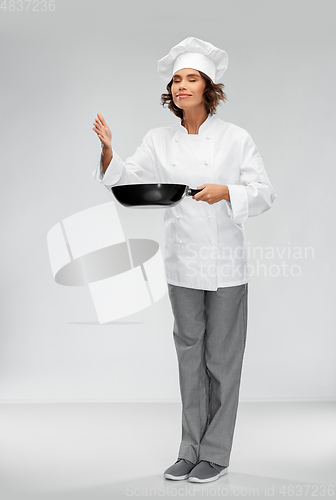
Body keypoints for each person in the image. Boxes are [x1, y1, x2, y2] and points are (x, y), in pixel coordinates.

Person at [92, 37, 276, 484]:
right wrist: (109, 151)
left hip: (227, 264)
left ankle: (215, 453)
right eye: (176, 79)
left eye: (190, 78)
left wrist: (227, 191)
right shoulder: (159, 140)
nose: (181, 86)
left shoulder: (236, 138)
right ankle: (189, 448)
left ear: (209, 87)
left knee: (222, 360)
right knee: (189, 358)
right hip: (181, 264)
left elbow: (265, 193)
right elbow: (129, 179)